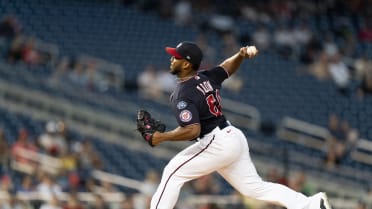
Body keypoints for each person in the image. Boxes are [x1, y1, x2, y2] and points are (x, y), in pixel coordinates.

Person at [148, 41, 332, 209]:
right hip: (232, 136)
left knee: (173, 172)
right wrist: (240, 55)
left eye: (176, 57)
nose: (172, 59)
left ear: (187, 64)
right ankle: (311, 204)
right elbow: (226, 68)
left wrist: (161, 137)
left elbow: (192, 129)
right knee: (256, 189)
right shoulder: (205, 77)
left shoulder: (182, 93)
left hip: (216, 142)